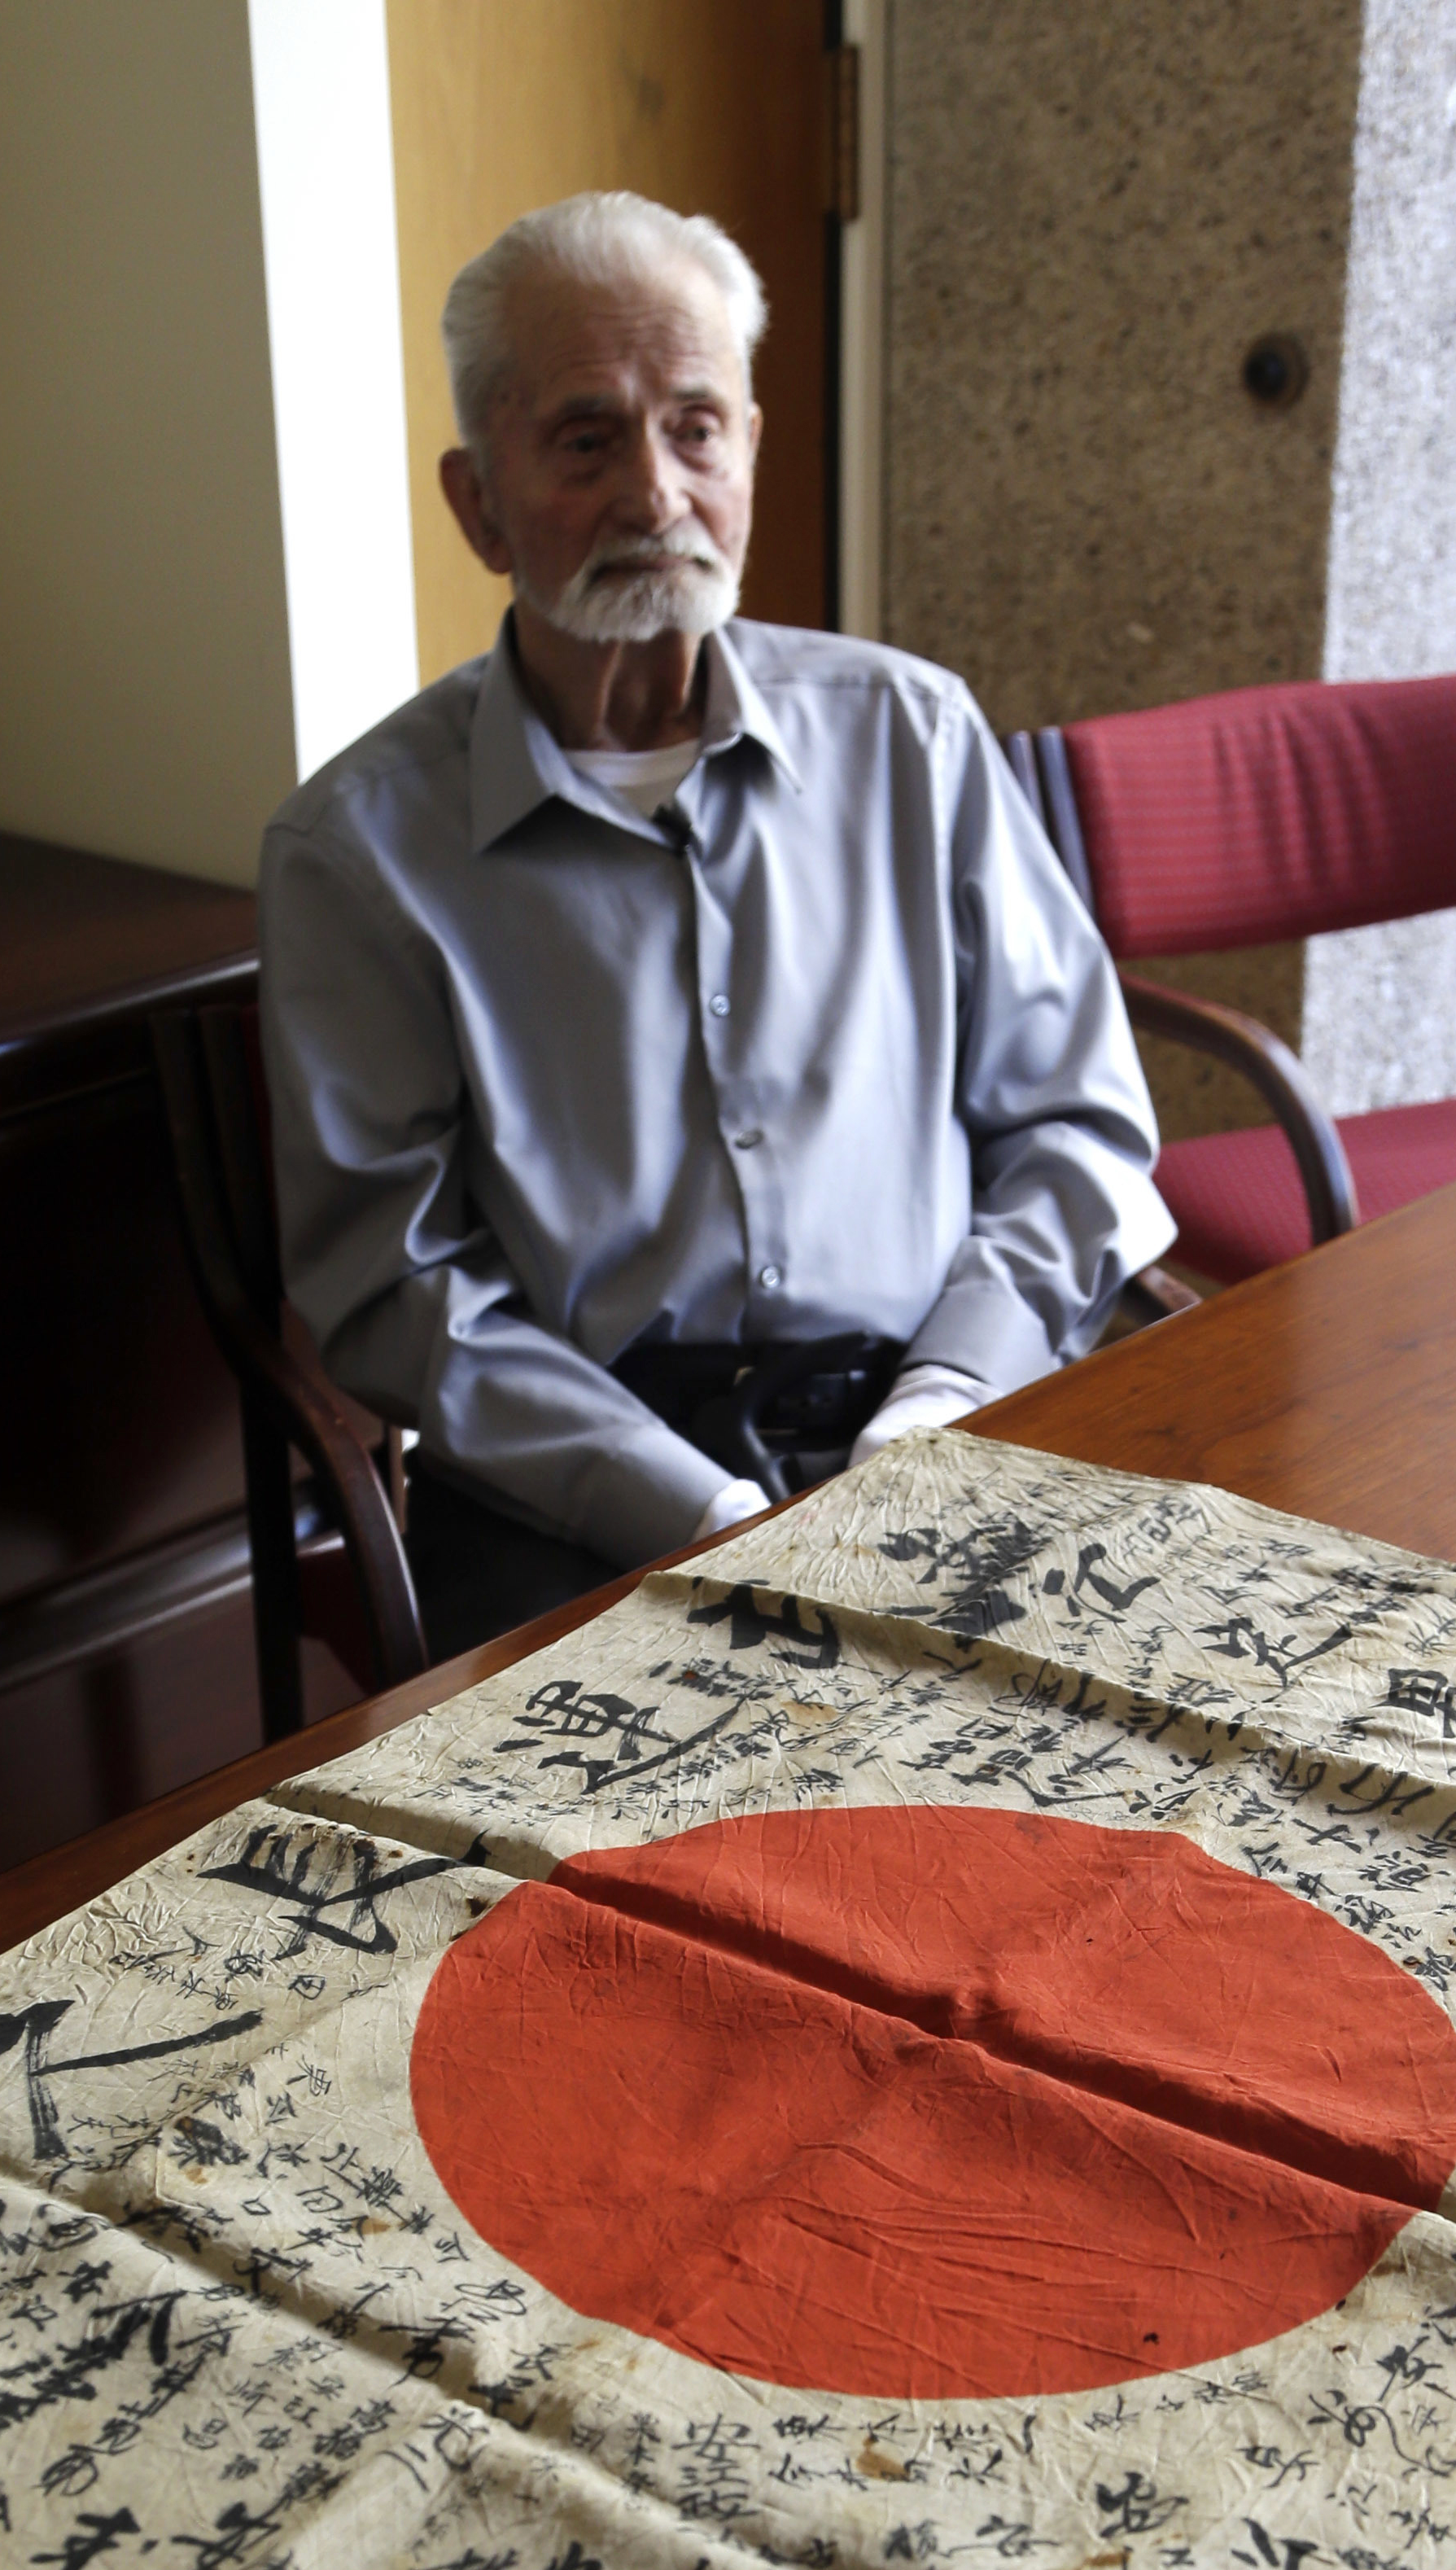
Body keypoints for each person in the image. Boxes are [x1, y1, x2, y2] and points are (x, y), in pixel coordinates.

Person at [258, 190, 1172, 1660]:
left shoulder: (912, 738)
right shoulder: (357, 852)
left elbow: (1081, 1131)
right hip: (584, 1504)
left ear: (750, 446)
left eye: (695, 427)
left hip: (945, 1410)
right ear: (477, 500)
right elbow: (397, 1290)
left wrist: (940, 1408)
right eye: (583, 438)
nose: (654, 494)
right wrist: (692, 1511)